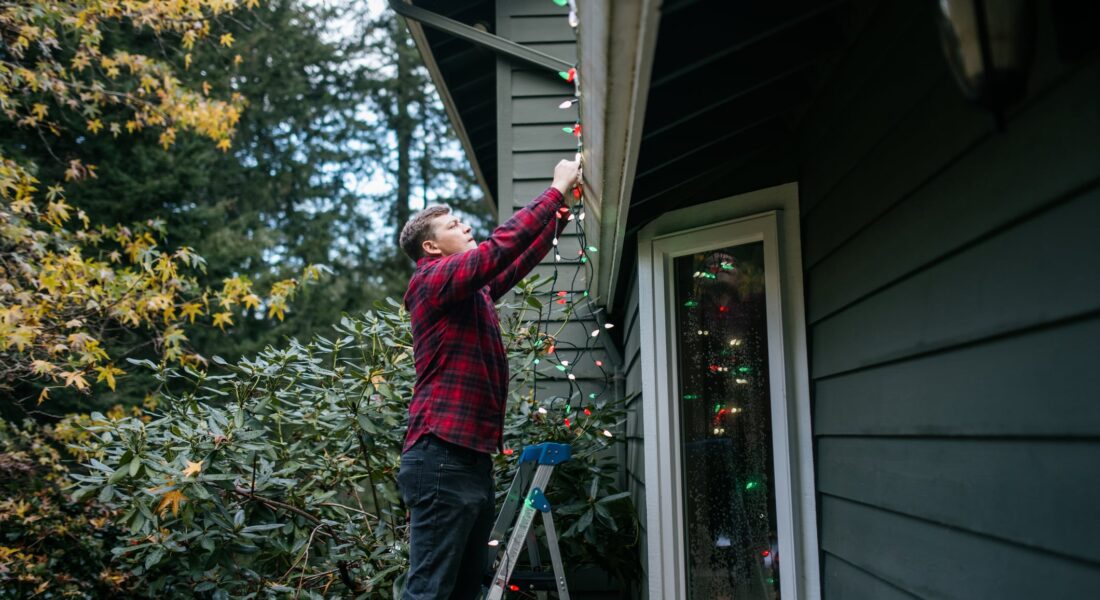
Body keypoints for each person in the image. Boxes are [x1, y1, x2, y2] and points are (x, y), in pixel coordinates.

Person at [395, 158, 582, 599]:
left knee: (462, 592)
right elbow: (496, 249)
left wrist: (559, 216)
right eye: (453, 225)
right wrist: (553, 191)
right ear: (431, 249)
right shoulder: (432, 281)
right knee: (429, 592)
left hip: (469, 459)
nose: (465, 227)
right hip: (440, 455)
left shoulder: (469, 291)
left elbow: (511, 261)